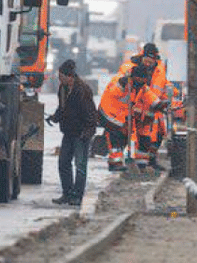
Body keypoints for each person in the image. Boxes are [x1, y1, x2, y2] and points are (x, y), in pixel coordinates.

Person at [48, 59, 98, 206]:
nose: (59, 78)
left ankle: (77, 196)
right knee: (63, 163)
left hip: (82, 133)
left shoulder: (83, 90)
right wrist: (55, 117)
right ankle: (67, 193)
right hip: (68, 132)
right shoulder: (62, 89)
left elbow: (91, 114)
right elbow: (62, 107)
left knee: (80, 166)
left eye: (61, 76)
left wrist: (88, 132)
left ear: (69, 76)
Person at [98, 71, 135, 171]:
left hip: (118, 114)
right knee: (116, 135)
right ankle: (115, 163)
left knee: (122, 135)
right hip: (109, 113)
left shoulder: (134, 87)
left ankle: (116, 161)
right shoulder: (120, 84)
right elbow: (114, 94)